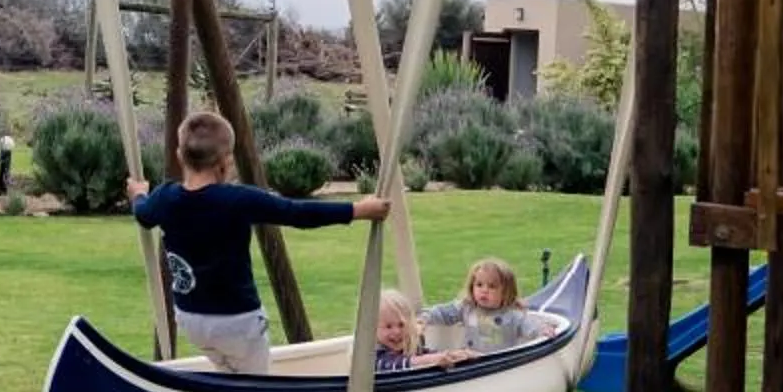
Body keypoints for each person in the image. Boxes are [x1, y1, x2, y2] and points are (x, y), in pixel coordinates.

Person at [129, 108, 389, 373]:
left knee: (226, 365)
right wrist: (358, 210)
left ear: (179, 156)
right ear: (226, 161)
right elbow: (296, 213)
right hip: (236, 322)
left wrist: (138, 194)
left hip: (190, 319)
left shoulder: (164, 197)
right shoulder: (238, 200)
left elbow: (143, 214)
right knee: (256, 382)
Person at [418, 256, 563, 368]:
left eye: (492, 287)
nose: (484, 290)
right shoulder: (467, 307)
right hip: (469, 364)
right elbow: (444, 313)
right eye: (479, 285)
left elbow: (530, 326)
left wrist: (542, 330)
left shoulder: (512, 315)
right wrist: (424, 318)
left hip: (499, 367)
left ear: (506, 292)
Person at [373, 288, 424, 374]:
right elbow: (394, 365)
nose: (397, 332)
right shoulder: (374, 354)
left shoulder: (409, 345)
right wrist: (432, 359)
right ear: (373, 329)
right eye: (388, 327)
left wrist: (447, 355)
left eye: (401, 325)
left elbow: (424, 353)